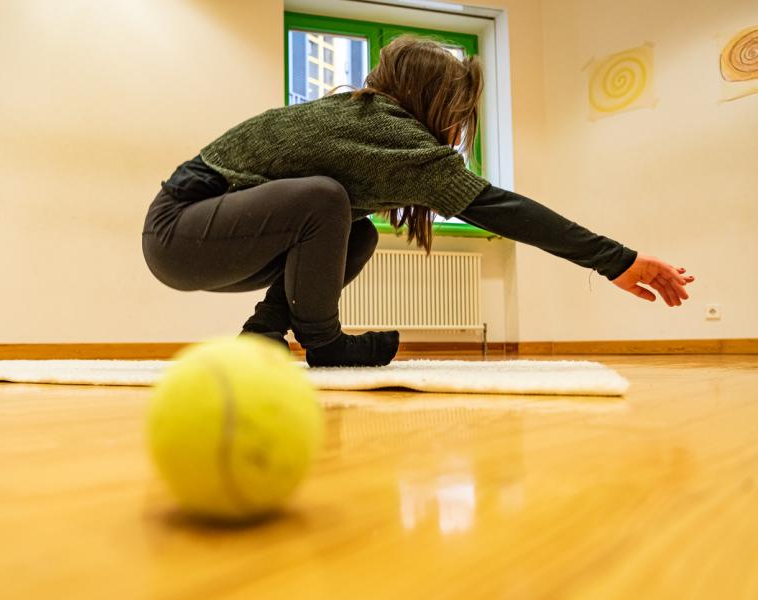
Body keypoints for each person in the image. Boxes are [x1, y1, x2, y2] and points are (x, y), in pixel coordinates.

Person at [141, 35, 694, 368]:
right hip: (179, 233)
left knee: (355, 229)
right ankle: (324, 344)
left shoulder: (368, 125)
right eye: (457, 110)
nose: (457, 127)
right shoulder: (387, 131)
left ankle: (261, 338)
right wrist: (617, 259)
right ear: (431, 100)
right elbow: (500, 207)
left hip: (202, 238)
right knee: (325, 200)